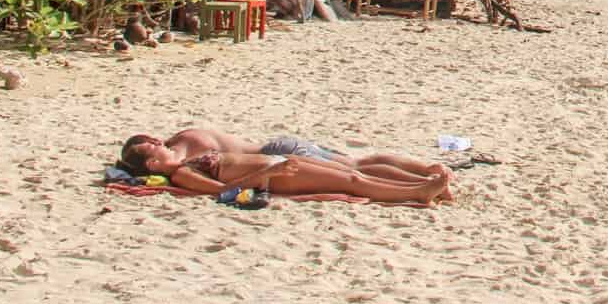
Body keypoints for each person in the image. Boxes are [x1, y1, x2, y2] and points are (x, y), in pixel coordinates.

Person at [121, 141, 451, 205]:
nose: (161, 144)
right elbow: (220, 192)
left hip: (276, 167)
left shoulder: (182, 164)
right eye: (155, 147)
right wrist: (273, 169)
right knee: (352, 181)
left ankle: (423, 184)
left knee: (350, 174)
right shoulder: (181, 175)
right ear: (152, 164)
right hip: (276, 174)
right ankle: (418, 192)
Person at [121, 128, 444, 186]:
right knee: (358, 163)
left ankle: (425, 176)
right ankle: (426, 169)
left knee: (357, 169)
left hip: (273, 154)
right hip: (276, 146)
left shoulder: (187, 155)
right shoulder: (187, 134)